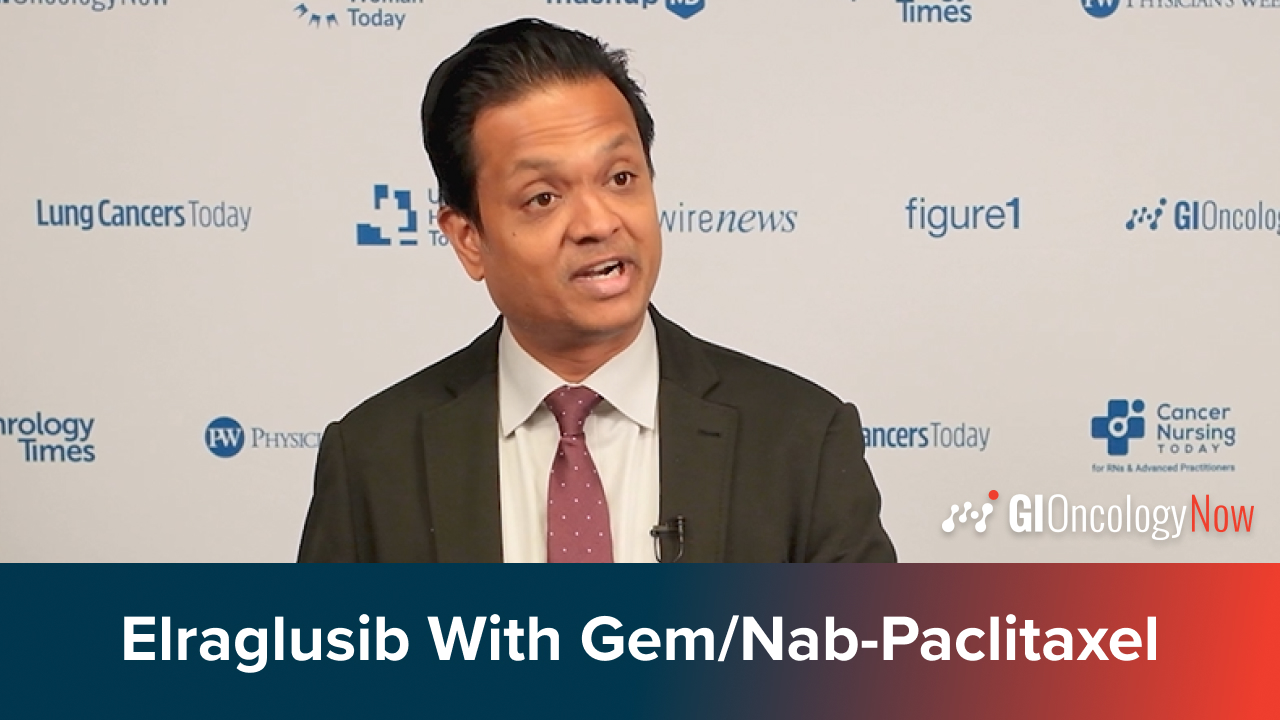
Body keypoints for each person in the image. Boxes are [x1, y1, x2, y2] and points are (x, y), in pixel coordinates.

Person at [297, 18, 895, 563]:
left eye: (620, 178)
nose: (598, 223)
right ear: (468, 238)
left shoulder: (800, 441)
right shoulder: (373, 460)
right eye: (543, 198)